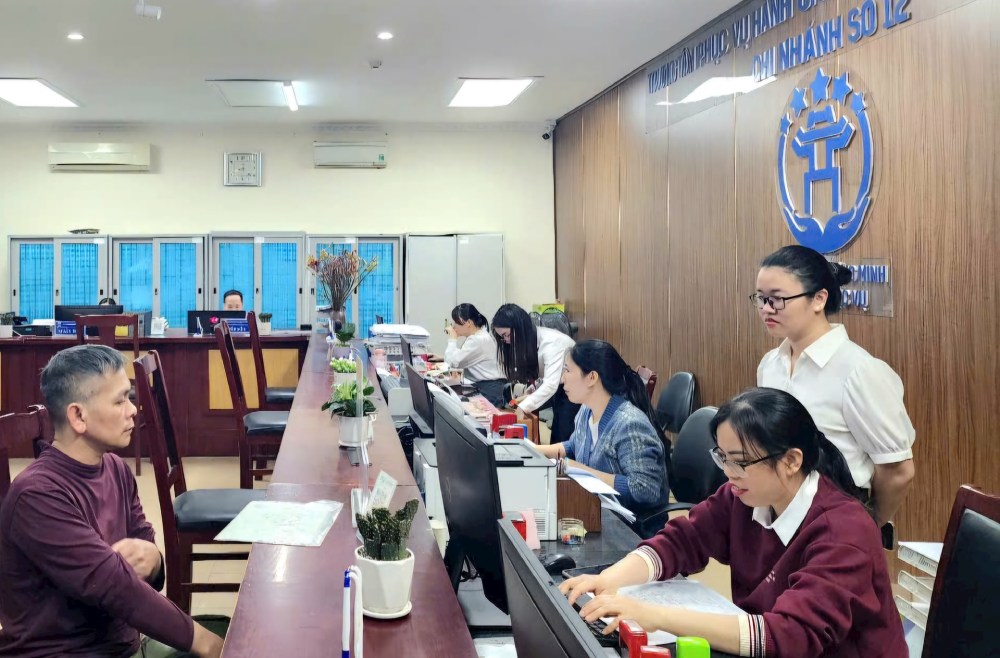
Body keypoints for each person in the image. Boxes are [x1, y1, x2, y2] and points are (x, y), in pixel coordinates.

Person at [563, 388, 907, 658]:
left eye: (740, 462)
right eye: (722, 458)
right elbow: (683, 541)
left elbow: (787, 635)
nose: (728, 473)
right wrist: (606, 580)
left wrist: (652, 614)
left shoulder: (844, 531)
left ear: (790, 461)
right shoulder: (743, 495)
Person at [0, 345, 224, 658]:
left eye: (129, 397)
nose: (133, 409)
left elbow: (145, 563)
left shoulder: (116, 469)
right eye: (120, 400)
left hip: (121, 646)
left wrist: (155, 560)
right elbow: (118, 589)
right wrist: (209, 645)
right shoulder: (37, 495)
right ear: (78, 415)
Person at [753, 245, 915, 530]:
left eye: (777, 300)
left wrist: (869, 526)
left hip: (838, 525)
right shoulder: (770, 364)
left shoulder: (859, 371)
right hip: (779, 518)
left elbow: (897, 470)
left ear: (818, 299)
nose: (766, 309)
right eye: (761, 299)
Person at [535, 340, 669, 517]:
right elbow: (575, 445)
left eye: (567, 370)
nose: (562, 378)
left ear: (591, 377)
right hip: (596, 512)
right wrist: (533, 450)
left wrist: (582, 470)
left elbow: (645, 489)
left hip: (631, 528)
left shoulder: (629, 424)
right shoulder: (586, 410)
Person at [492, 303, 579, 443]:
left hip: (576, 390)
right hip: (561, 387)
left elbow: (551, 384)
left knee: (563, 434)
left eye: (507, 335)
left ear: (520, 328)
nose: (506, 341)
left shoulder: (552, 343)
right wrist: (535, 387)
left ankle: (565, 463)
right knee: (557, 432)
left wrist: (523, 407)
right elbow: (545, 375)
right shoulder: (531, 339)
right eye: (502, 337)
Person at [443, 303, 506, 407]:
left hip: (489, 389)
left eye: (456, 322)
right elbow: (466, 358)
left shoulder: (477, 340)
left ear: (468, 322)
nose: (454, 327)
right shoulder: (480, 336)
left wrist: (452, 339)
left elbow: (454, 362)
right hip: (490, 386)